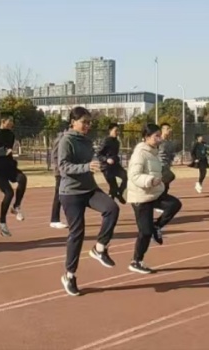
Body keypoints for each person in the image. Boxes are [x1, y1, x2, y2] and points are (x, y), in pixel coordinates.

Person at [58, 106, 120, 297]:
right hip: (71, 192)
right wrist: (86, 167)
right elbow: (63, 166)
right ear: (73, 122)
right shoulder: (66, 140)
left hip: (89, 188)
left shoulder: (87, 141)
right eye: (84, 122)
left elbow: (94, 158)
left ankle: (99, 249)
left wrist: (100, 162)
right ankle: (69, 276)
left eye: (89, 122)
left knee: (112, 208)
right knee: (77, 233)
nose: (87, 125)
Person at [127, 123, 183, 274]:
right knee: (145, 232)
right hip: (140, 196)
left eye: (159, 135)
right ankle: (136, 261)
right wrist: (150, 180)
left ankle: (157, 226)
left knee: (174, 204)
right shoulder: (140, 153)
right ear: (146, 137)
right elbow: (134, 175)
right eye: (156, 136)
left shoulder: (154, 152)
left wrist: (163, 177)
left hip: (154, 193)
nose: (159, 139)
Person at [0, 114, 28, 237]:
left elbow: (8, 150)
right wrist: (2, 152)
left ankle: (16, 206)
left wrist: (8, 155)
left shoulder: (11, 135)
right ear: (3, 121)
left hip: (9, 167)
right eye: (10, 121)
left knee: (22, 178)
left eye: (13, 121)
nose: (12, 123)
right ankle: (2, 222)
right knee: (9, 193)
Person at [98, 123, 127, 204]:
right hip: (106, 167)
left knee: (126, 176)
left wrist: (116, 159)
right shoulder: (106, 141)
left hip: (115, 165)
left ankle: (119, 193)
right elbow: (98, 154)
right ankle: (111, 204)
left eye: (118, 131)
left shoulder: (117, 142)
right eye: (116, 131)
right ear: (110, 130)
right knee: (113, 187)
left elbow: (115, 154)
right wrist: (106, 159)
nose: (117, 132)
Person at [49, 125, 68, 229]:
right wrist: (58, 169)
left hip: (67, 172)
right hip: (60, 172)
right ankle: (54, 219)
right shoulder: (61, 139)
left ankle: (70, 217)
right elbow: (54, 155)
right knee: (59, 195)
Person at [157, 123, 177, 196]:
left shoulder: (169, 142)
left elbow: (171, 154)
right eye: (167, 129)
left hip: (167, 165)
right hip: (160, 165)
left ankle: (162, 198)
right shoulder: (158, 141)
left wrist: (173, 158)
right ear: (162, 130)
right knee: (170, 176)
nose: (170, 130)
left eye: (170, 128)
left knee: (166, 186)